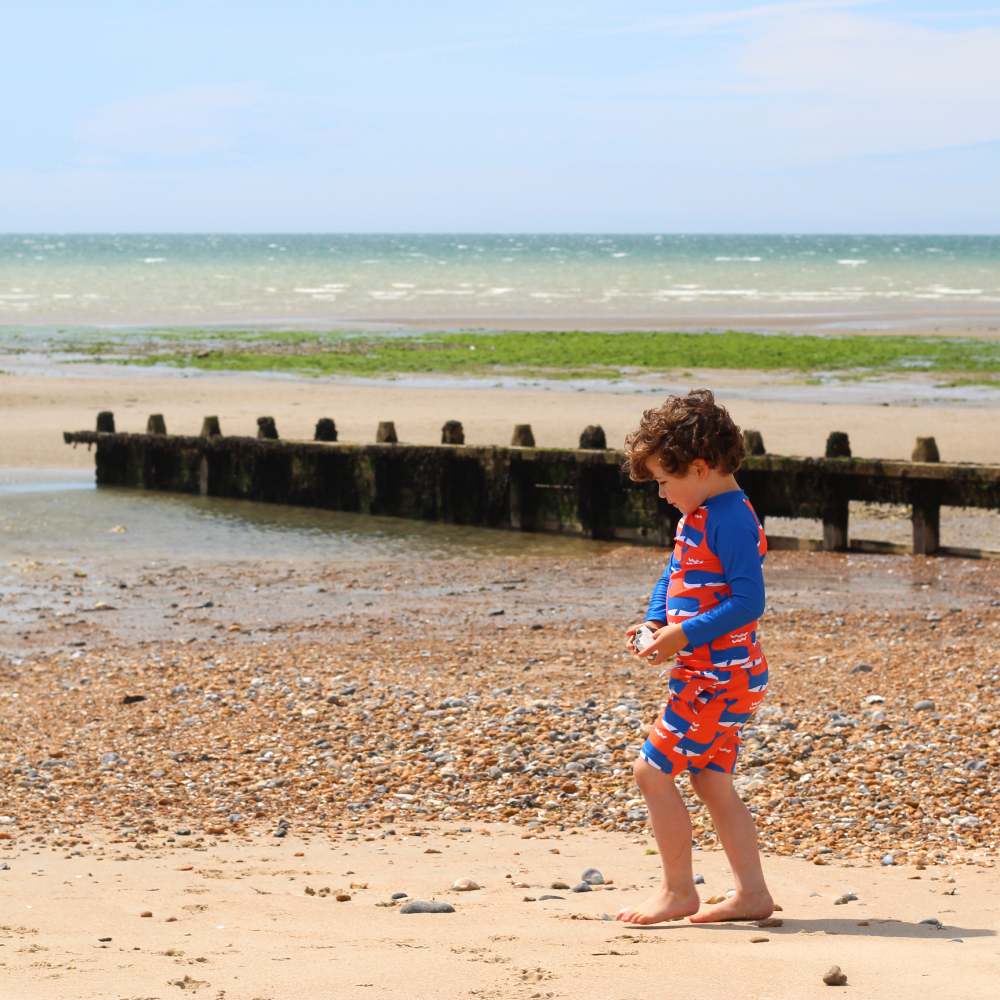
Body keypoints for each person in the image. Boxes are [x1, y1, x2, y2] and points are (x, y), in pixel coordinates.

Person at [615, 388, 774, 926]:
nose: (660, 492)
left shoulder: (729, 518)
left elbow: (749, 601)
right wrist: (657, 620)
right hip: (723, 673)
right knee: (710, 779)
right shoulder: (701, 514)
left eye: (664, 479)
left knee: (651, 773)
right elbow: (673, 574)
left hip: (716, 676)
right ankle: (752, 894)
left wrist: (682, 637)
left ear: (700, 467)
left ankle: (678, 891)